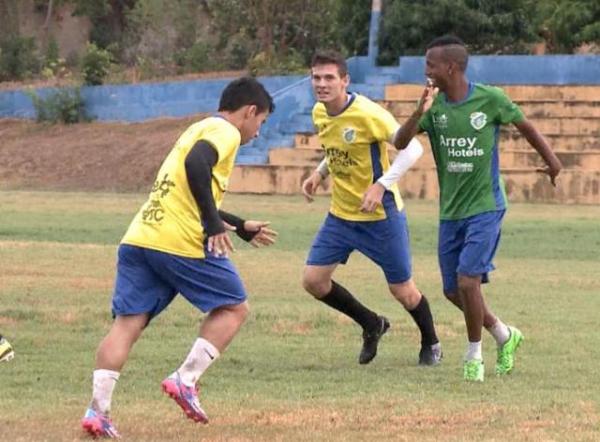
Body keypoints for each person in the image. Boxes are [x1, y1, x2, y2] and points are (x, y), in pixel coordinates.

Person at [81, 77, 278, 438]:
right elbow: (197, 166)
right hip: (178, 241)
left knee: (126, 325)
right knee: (234, 307)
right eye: (261, 123)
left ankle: (98, 412)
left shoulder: (198, 127)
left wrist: (237, 224)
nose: (257, 133)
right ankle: (185, 380)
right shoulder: (226, 132)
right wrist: (211, 225)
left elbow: (188, 187)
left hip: (141, 236)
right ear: (250, 112)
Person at [392, 36, 562, 381]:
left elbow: (525, 125)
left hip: (486, 204)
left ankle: (473, 358)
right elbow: (399, 141)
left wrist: (553, 162)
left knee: (468, 282)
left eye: (431, 65)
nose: (426, 71)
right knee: (452, 290)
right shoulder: (433, 106)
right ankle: (503, 334)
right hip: (450, 210)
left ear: (450, 68)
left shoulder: (490, 99)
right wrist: (418, 112)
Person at [301, 51, 442, 367]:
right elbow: (338, 147)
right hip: (341, 215)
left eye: (329, 78)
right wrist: (319, 173)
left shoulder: (367, 112)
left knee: (403, 291)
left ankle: (431, 341)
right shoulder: (320, 113)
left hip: (380, 216)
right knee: (313, 281)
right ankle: (371, 323)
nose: (322, 84)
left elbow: (412, 148)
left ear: (345, 80)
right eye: (316, 77)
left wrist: (382, 184)